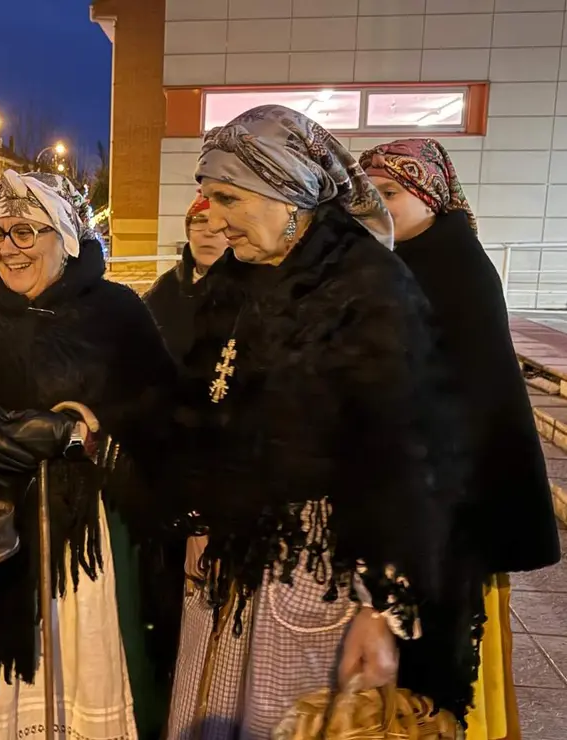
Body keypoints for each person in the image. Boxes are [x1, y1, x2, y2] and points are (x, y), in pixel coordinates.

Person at [159, 106, 473, 738]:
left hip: (316, 575)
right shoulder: (234, 281)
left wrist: (378, 610)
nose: (213, 218)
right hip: (225, 567)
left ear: (290, 193)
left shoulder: (368, 288)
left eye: (227, 198)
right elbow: (203, 404)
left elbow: (404, 456)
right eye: (207, 198)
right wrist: (197, 515)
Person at [0, 170, 180, 739]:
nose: (8, 249)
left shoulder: (116, 312)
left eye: (25, 231)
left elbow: (162, 408)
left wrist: (92, 432)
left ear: (62, 234)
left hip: (83, 543)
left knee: (76, 681)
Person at [360, 138, 562, 740]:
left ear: (430, 195)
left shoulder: (454, 266)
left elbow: (467, 396)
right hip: (419, 492)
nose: (378, 206)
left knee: (438, 659)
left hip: (453, 501)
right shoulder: (399, 260)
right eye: (370, 194)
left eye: (391, 193)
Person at [144, 193, 229, 363]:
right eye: (199, 221)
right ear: (188, 233)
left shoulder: (254, 293)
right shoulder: (163, 291)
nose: (209, 232)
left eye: (220, 224)